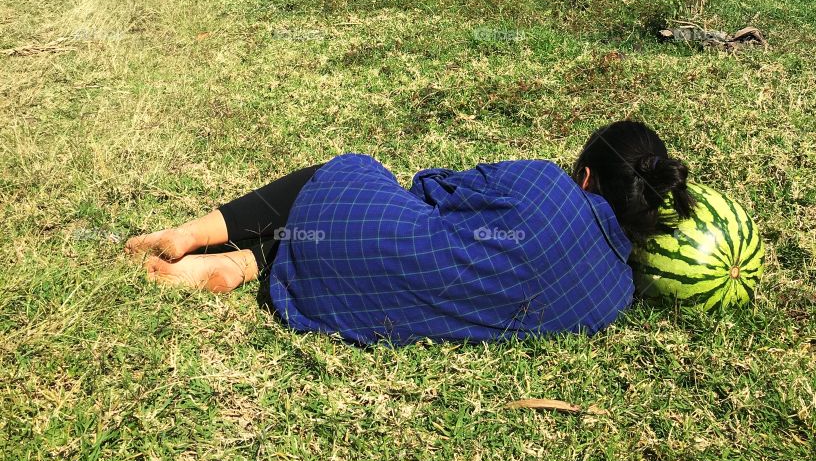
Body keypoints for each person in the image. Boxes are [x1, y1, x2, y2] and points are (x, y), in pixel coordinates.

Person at [126, 119, 694, 346]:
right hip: (386, 306)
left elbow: (439, 188)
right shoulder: (614, 296)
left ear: (586, 176)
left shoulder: (547, 184)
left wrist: (415, 187)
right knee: (352, 225)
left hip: (371, 249)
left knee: (350, 175)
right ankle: (242, 264)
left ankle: (194, 233)